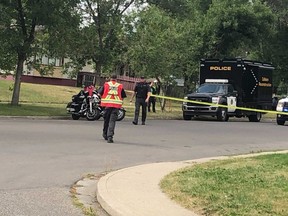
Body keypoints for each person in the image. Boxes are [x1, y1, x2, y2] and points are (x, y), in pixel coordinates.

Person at [98, 74, 126, 143]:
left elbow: (99, 93)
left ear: (110, 78)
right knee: (112, 121)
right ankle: (110, 136)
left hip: (107, 106)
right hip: (116, 106)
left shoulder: (106, 85)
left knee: (106, 120)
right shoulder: (120, 86)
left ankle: (105, 134)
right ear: (116, 79)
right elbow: (123, 96)